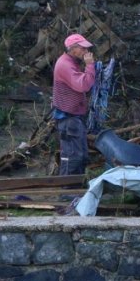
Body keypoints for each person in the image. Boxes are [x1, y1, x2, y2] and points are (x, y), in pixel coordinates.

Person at [52, 33, 96, 175]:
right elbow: (83, 85)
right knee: (72, 156)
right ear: (73, 49)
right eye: (82, 48)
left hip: (73, 116)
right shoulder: (65, 64)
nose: (85, 51)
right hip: (68, 117)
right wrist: (89, 66)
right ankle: (66, 191)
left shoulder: (71, 62)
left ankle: (74, 188)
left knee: (80, 154)